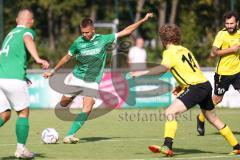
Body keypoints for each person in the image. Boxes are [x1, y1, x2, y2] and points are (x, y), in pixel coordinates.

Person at [43, 13, 153, 144]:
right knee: (63, 103)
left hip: (93, 81)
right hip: (77, 78)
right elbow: (67, 57)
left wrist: (143, 20)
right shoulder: (78, 43)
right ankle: (73, 96)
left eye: (87, 32)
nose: (84, 35)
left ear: (93, 29)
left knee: (88, 108)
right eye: (82, 32)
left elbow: (126, 31)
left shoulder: (103, 39)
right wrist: (53, 71)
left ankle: (70, 135)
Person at [131, 24, 240, 156]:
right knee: (213, 119)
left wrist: (141, 73)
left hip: (196, 87)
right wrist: (182, 86)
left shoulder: (168, 52)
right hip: (205, 85)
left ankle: (167, 146)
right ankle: (237, 145)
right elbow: (196, 69)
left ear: (163, 40)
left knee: (170, 112)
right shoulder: (184, 50)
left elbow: (163, 68)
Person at [0, 8, 49, 158]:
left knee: (4, 114)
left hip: (1, 78)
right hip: (14, 79)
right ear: (31, 22)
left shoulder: (9, 34)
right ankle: (21, 149)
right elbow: (28, 39)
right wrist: (38, 58)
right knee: (23, 113)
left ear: (16, 20)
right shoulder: (27, 32)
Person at [196, 11, 240, 136]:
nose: (229, 25)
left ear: (237, 22)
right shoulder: (221, 34)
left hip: (238, 72)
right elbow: (214, 52)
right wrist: (231, 49)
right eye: (227, 23)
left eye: (232, 23)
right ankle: (201, 117)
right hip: (223, 74)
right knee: (217, 99)